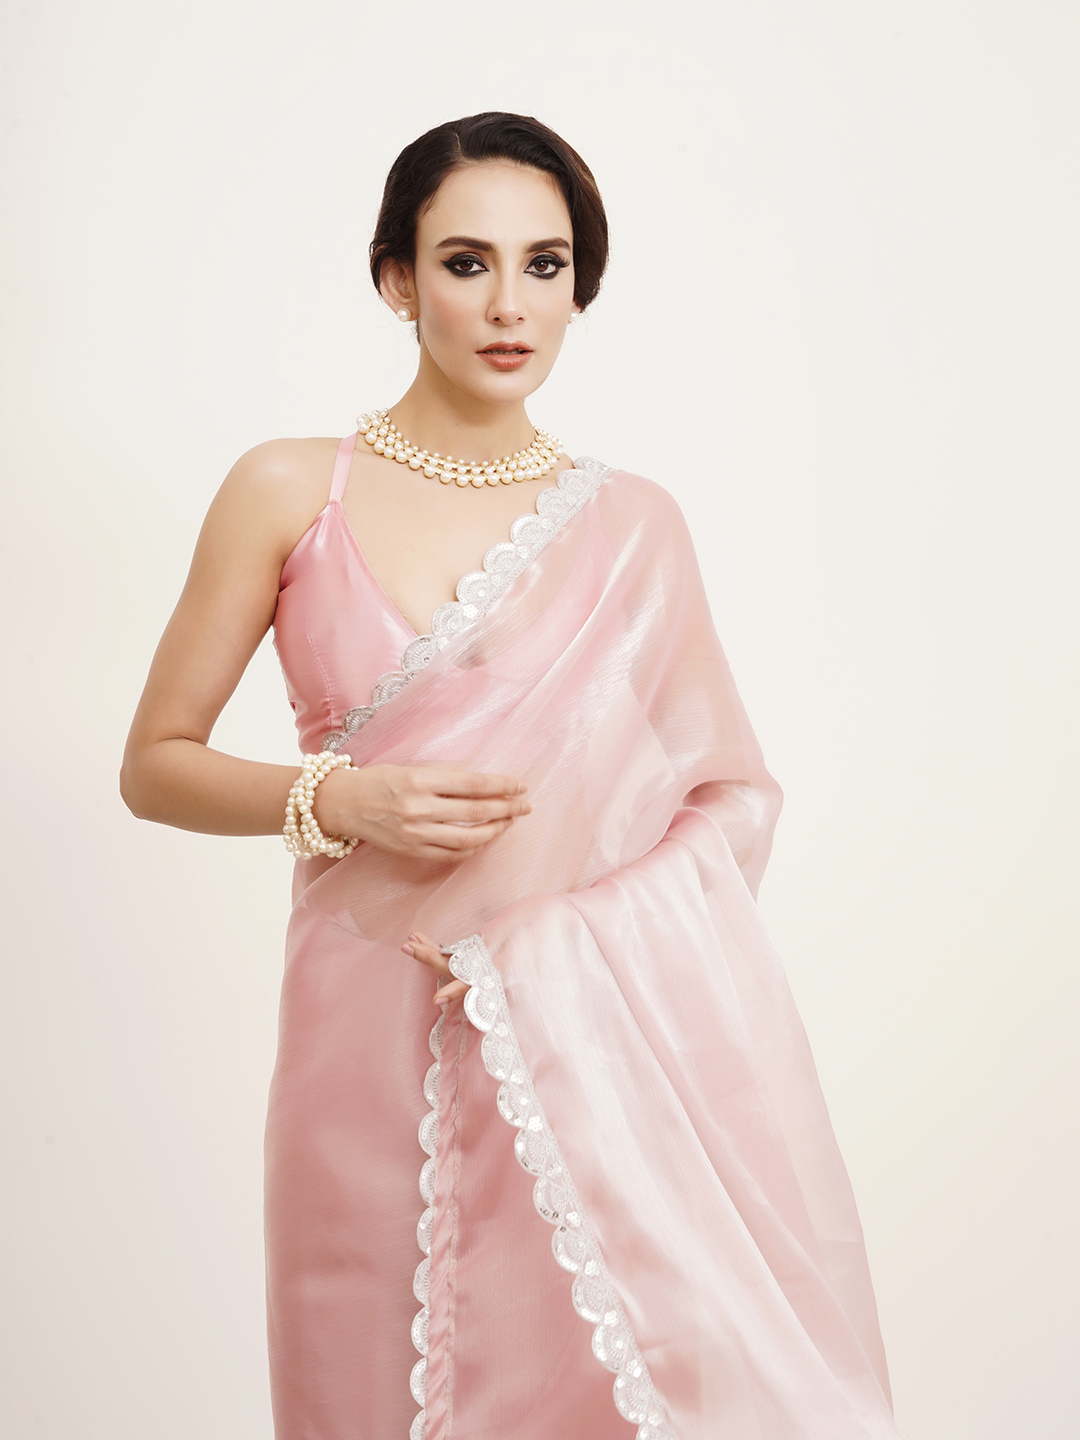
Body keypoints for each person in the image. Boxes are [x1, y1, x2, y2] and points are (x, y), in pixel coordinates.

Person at [121, 112, 899, 1440]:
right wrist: (335, 799)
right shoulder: (290, 489)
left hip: (570, 1044)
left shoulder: (632, 526)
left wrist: (550, 956)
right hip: (356, 1025)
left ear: (580, 287)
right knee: (357, 1373)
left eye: (546, 266)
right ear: (396, 279)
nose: (509, 305)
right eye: (466, 262)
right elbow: (155, 765)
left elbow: (729, 802)